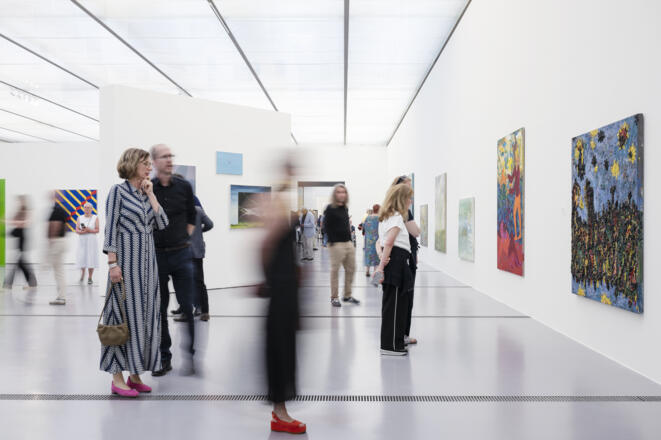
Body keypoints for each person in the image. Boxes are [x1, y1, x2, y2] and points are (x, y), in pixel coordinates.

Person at [100, 147, 168, 397]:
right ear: (132, 164)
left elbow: (162, 223)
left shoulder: (145, 193)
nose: (150, 167)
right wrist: (112, 264)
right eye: (145, 163)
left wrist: (151, 194)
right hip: (125, 267)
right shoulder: (117, 192)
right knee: (120, 320)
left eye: (150, 163)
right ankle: (117, 378)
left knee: (144, 319)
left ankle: (135, 374)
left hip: (148, 269)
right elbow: (110, 230)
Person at [262, 161, 306, 434]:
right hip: (280, 290)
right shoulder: (275, 204)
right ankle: (280, 413)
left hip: (286, 288)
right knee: (280, 348)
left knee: (286, 347)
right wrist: (268, 281)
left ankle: (281, 410)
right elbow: (265, 245)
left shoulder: (282, 203)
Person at [150, 143, 196, 377]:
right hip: (158, 255)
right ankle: (164, 357)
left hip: (181, 254)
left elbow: (192, 217)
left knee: (187, 306)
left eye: (171, 156)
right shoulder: (149, 189)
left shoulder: (184, 187)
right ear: (154, 162)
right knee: (160, 309)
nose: (169, 159)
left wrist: (183, 239)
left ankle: (190, 356)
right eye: (164, 156)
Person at [374, 184, 415, 356]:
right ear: (401, 199)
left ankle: (394, 342)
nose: (410, 201)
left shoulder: (386, 218)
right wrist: (381, 266)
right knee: (395, 305)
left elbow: (380, 243)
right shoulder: (396, 217)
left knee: (395, 304)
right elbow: (389, 242)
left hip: (396, 261)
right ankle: (390, 346)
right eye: (409, 198)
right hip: (397, 262)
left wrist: (381, 257)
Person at [392, 175, 421, 346]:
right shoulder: (403, 211)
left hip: (403, 256)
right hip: (405, 257)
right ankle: (402, 334)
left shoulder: (391, 209)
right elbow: (416, 232)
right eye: (407, 187)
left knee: (401, 297)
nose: (410, 191)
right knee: (406, 297)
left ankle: (400, 334)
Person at [323, 184, 359, 307]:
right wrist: (331, 242)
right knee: (335, 271)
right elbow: (326, 226)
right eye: (339, 192)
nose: (341, 194)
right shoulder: (330, 208)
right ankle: (334, 297)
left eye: (343, 192)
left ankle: (347, 295)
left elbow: (346, 224)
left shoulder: (345, 208)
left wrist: (350, 239)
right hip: (336, 244)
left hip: (348, 243)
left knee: (351, 269)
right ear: (335, 194)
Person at [2, 195, 37, 290]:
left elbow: (25, 223)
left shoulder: (27, 211)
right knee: (21, 263)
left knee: (19, 262)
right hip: (18, 237)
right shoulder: (19, 211)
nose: (19, 203)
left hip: (23, 238)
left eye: (21, 201)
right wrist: (6, 220)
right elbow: (13, 220)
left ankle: (8, 284)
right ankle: (32, 283)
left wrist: (14, 222)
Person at [191, 197, 213, 321]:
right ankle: (205, 311)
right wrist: (200, 230)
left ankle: (187, 311)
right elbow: (210, 224)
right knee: (200, 282)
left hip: (182, 251)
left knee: (185, 283)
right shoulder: (198, 210)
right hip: (197, 251)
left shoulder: (179, 211)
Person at [47, 191, 69, 305]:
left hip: (57, 242)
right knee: (58, 271)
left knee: (58, 271)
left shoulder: (56, 210)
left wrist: (51, 240)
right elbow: (65, 227)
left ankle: (61, 297)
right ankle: (61, 296)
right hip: (61, 242)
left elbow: (56, 225)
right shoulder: (61, 210)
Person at [75, 202, 99, 285]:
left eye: (89, 207)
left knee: (91, 258)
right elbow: (77, 229)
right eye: (85, 207)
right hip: (82, 241)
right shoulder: (80, 217)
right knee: (82, 257)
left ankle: (90, 277)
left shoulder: (95, 218)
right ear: (83, 208)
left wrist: (89, 230)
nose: (87, 209)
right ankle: (82, 274)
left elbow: (97, 230)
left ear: (92, 209)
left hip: (91, 241)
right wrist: (81, 232)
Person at [363, 204, 380, 277]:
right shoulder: (380, 218)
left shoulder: (368, 217)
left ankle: (367, 271)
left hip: (368, 240)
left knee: (368, 255)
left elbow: (364, 226)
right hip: (377, 239)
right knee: (377, 255)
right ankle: (375, 272)